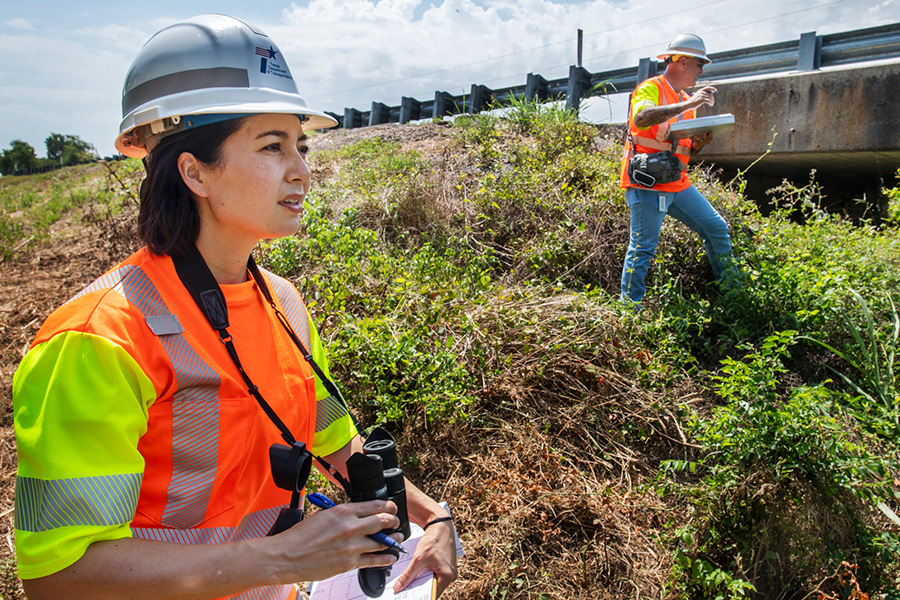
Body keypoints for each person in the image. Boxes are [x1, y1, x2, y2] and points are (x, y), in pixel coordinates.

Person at [12, 14, 457, 600]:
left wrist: (434, 517)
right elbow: (58, 579)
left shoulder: (284, 304)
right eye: (272, 147)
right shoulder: (99, 338)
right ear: (194, 171)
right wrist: (277, 558)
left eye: (300, 145)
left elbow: (333, 443)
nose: (301, 169)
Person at [619, 33, 735, 307]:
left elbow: (684, 151)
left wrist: (700, 144)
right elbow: (641, 118)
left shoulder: (685, 101)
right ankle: (628, 310)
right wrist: (690, 103)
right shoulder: (652, 88)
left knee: (717, 228)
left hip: (677, 184)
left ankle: (733, 295)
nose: (702, 71)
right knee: (643, 248)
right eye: (699, 64)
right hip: (647, 184)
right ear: (682, 61)